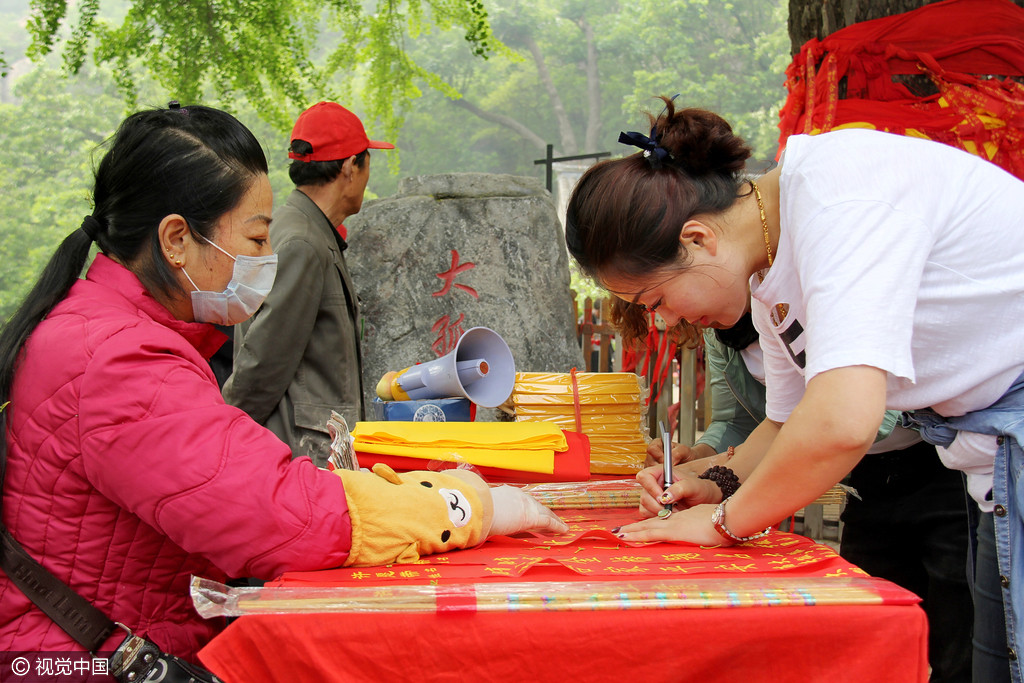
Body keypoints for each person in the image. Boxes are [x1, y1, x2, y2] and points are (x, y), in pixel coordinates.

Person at [0, 103, 565, 662]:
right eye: (254, 240)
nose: (266, 260)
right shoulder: (120, 360)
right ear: (176, 240)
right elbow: (279, 516)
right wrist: (469, 506)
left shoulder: (103, 329)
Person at [565, 98, 1024, 683]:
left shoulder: (841, 199)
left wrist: (723, 524)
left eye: (654, 300)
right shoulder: (770, 265)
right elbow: (786, 421)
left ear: (699, 239)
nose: (660, 323)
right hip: (991, 463)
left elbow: (841, 422)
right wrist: (710, 485)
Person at [646, 308, 972, 682]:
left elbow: (853, 423)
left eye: (659, 295)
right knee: (870, 635)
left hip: (945, 470)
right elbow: (754, 424)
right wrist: (703, 465)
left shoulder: (801, 298)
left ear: (701, 246)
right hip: (870, 480)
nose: (670, 319)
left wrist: (724, 511)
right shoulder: (728, 325)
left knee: (960, 648)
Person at [223, 101, 390, 466]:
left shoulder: (301, 228)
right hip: (304, 455)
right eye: (366, 165)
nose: (366, 178)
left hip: (310, 449)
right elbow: (263, 362)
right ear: (349, 168)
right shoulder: (303, 242)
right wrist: (226, 438)